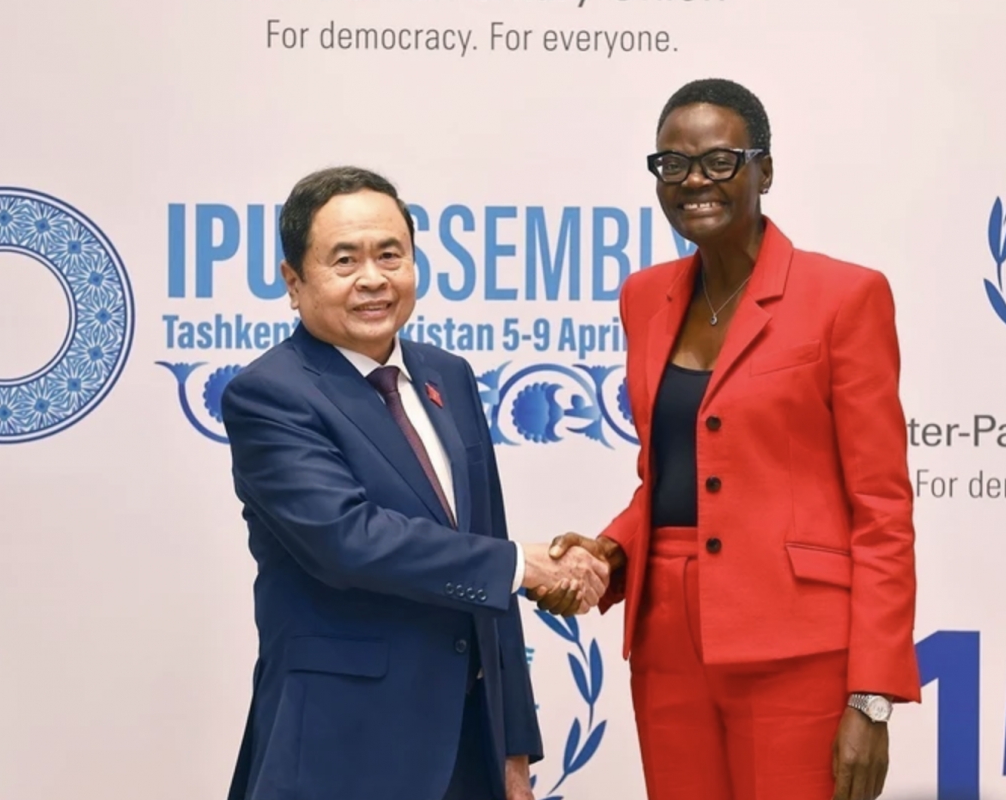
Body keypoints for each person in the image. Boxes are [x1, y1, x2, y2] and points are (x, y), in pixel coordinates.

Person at [529, 79, 921, 800]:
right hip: (667, 639)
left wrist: (872, 695)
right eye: (673, 165)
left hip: (796, 645)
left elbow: (882, 509)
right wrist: (611, 551)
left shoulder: (845, 296)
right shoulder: (644, 297)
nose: (694, 181)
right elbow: (670, 474)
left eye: (719, 161)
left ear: (763, 171)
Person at [221, 166, 609, 800]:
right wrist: (523, 565)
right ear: (294, 282)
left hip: (467, 749)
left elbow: (489, 552)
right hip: (341, 749)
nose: (373, 278)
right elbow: (348, 540)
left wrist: (513, 746)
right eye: (344, 260)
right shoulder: (269, 394)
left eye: (390, 255)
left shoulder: (447, 375)